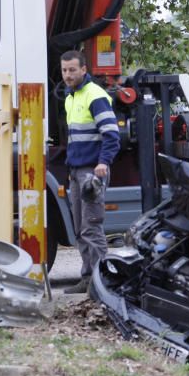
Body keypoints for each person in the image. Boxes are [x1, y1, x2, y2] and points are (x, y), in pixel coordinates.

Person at [61, 50, 120, 295]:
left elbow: (112, 135)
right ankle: (88, 278)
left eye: (72, 70)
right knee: (79, 228)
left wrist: (103, 163)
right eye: (64, 70)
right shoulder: (70, 97)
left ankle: (102, 282)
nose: (68, 75)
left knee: (91, 226)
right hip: (76, 170)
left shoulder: (95, 96)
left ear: (84, 70)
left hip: (92, 171)